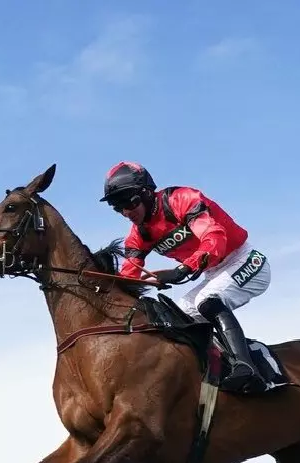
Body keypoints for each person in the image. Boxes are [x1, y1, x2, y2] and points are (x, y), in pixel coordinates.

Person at [99, 161, 270, 392]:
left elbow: (214, 238)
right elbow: (128, 276)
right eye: (118, 207)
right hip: (214, 273)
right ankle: (220, 368)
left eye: (130, 201)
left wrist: (183, 270)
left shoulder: (181, 199)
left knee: (207, 301)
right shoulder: (139, 235)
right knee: (179, 319)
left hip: (245, 260)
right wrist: (102, 286)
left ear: (148, 193)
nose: (127, 212)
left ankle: (247, 368)